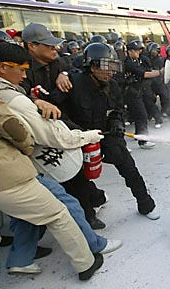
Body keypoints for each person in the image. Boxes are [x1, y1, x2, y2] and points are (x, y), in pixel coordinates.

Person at [0, 43, 103, 283]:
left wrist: (33, 100)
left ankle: (20, 259)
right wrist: (88, 136)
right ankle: (90, 257)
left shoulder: (11, 93)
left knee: (24, 214)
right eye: (21, 69)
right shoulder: (10, 98)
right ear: (2, 68)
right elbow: (44, 136)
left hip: (8, 177)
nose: (24, 75)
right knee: (62, 210)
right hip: (12, 171)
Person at [56, 42, 161, 220]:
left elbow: (117, 110)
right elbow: (58, 111)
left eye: (113, 67)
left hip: (107, 135)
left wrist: (116, 123)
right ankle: (90, 214)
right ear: (92, 65)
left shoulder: (112, 85)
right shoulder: (73, 83)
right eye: (106, 67)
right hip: (79, 139)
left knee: (130, 169)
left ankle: (146, 204)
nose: (111, 72)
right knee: (79, 179)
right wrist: (78, 133)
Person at [20, 22, 109, 229]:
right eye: (49, 46)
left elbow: (76, 66)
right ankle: (86, 214)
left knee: (77, 169)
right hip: (39, 132)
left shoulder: (58, 63)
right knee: (60, 176)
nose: (55, 49)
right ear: (32, 46)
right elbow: (13, 94)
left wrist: (65, 74)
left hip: (65, 125)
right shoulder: (23, 69)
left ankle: (91, 205)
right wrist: (34, 101)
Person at [123, 39, 164, 148]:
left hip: (138, 91)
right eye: (136, 50)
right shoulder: (128, 63)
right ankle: (143, 141)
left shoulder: (137, 60)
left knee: (139, 115)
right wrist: (160, 72)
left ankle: (138, 135)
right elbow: (144, 74)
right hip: (131, 93)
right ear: (130, 51)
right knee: (142, 115)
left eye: (139, 50)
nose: (138, 52)